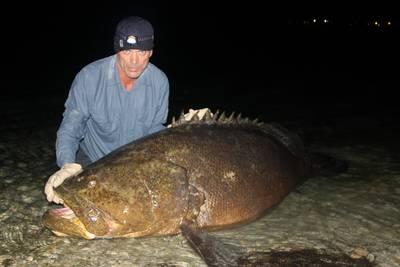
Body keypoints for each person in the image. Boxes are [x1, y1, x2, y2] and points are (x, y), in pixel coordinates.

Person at [44, 16, 169, 204]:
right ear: (117, 49)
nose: (134, 61)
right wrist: (67, 165)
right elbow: (71, 127)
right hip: (94, 163)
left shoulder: (160, 82)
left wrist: (182, 129)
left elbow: (154, 132)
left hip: (133, 164)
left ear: (150, 52)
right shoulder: (89, 77)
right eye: (127, 51)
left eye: (141, 52)